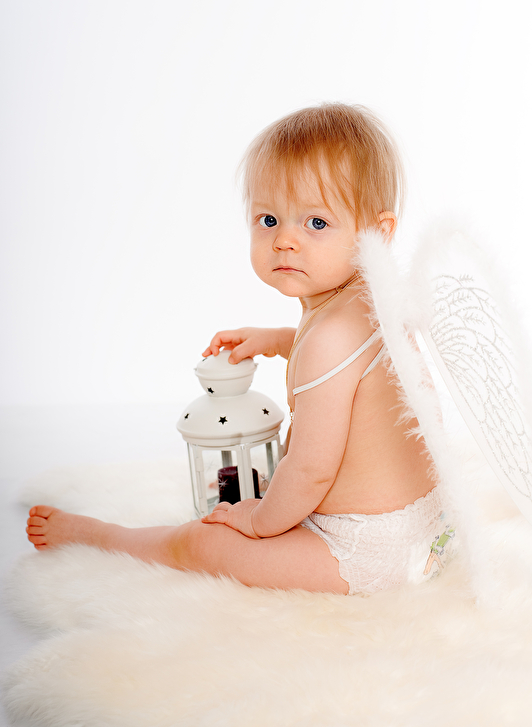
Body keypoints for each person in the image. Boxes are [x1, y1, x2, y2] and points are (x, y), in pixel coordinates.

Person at [26, 103, 451, 595]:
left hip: (365, 550)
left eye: (316, 223)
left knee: (201, 542)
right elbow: (352, 374)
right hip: (428, 528)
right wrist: (277, 340)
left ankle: (102, 537)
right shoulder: (370, 304)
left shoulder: (329, 338)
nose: (285, 240)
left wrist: (258, 520)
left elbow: (311, 471)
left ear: (377, 233)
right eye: (269, 219)